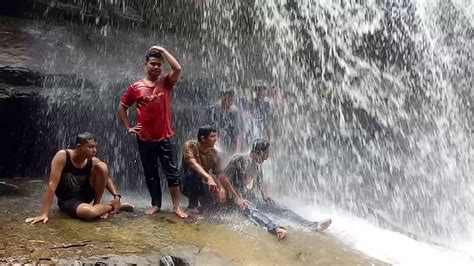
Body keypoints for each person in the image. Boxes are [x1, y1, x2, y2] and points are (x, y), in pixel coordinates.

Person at [118, 46, 187, 218]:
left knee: (171, 171)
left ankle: (176, 206)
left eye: (159, 65)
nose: (156, 67)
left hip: (166, 136)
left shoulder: (166, 83)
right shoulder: (136, 87)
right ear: (145, 65)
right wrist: (128, 127)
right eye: (153, 64)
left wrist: (162, 50)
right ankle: (156, 204)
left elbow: (178, 68)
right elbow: (122, 106)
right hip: (145, 138)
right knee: (150, 172)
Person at [218, 139, 332, 240]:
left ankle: (312, 226)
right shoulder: (239, 159)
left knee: (279, 207)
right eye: (266, 153)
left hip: (246, 198)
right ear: (259, 152)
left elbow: (260, 184)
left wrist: (265, 198)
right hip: (234, 200)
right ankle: (275, 229)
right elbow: (222, 177)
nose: (267, 156)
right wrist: (237, 198)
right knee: (251, 209)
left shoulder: (257, 166)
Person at [25, 132, 133, 224]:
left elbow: (107, 179)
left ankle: (98, 205)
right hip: (68, 199)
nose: (94, 150)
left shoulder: (92, 161)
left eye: (95, 146)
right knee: (88, 213)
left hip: (86, 195)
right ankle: (113, 207)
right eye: (90, 147)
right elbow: (52, 184)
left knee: (102, 166)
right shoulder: (63, 156)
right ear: (79, 147)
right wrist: (44, 213)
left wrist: (116, 196)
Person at [181, 125, 242, 213]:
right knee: (192, 174)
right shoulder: (190, 145)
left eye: (216, 136)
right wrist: (209, 178)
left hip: (202, 182)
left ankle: (206, 204)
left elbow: (220, 174)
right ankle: (192, 206)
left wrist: (235, 196)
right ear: (203, 138)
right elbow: (192, 164)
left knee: (214, 205)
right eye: (212, 136)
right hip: (184, 183)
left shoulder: (215, 153)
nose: (215, 139)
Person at [205, 90, 243, 159]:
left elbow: (239, 133)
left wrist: (237, 151)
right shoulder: (213, 110)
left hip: (230, 144)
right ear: (221, 98)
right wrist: (217, 147)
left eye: (230, 100)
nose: (227, 103)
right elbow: (209, 131)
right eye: (225, 100)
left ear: (233, 100)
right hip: (214, 144)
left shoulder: (235, 112)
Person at [238, 81, 274, 148]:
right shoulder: (243, 101)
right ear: (252, 91)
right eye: (257, 90)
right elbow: (240, 126)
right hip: (246, 138)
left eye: (262, 90)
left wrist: (270, 140)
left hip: (261, 138)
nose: (261, 93)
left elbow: (269, 124)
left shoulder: (266, 105)